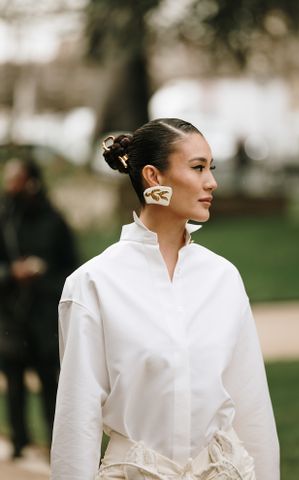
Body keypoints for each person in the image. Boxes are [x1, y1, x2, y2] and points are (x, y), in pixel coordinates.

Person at [51, 118, 280, 480]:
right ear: (153, 178)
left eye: (211, 168)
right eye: (198, 167)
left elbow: (251, 406)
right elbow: (77, 418)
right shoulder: (93, 284)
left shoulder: (223, 279)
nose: (212, 182)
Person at [0, 157, 78, 458]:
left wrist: (42, 276)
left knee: (50, 384)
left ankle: (55, 444)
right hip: (12, 317)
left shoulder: (54, 221)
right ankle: (19, 443)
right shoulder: (4, 220)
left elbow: (71, 267)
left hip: (45, 316)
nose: (10, 186)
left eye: (15, 178)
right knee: (15, 385)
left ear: (32, 182)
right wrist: (11, 274)